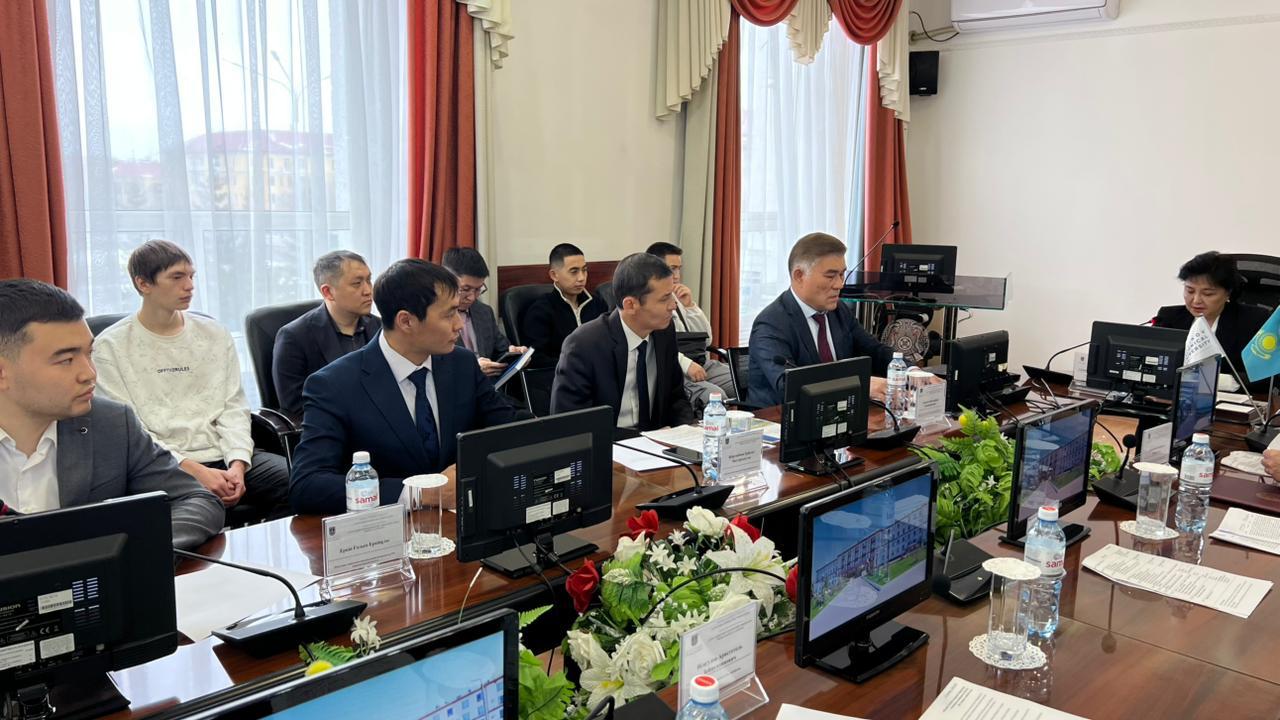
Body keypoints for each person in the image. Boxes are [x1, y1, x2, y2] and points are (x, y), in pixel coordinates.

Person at [0, 279, 224, 548]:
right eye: (66, 360)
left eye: (89, 354)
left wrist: (133, 553)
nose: (89, 374)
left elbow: (196, 500)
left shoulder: (111, 424)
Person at [289, 259, 522, 515]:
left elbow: (508, 428)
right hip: (384, 528)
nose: (459, 324)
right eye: (448, 314)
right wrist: (421, 492)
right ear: (406, 321)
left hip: (459, 521)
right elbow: (307, 486)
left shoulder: (462, 364)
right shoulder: (334, 384)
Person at [93, 240, 292, 524]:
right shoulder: (110, 346)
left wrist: (237, 463)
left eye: (191, 276)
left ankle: (262, 550)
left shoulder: (214, 333)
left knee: (302, 483)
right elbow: (130, 431)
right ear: (143, 284)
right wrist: (195, 470)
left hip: (224, 455)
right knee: (202, 509)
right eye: (176, 277)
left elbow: (233, 407)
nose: (189, 286)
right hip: (162, 465)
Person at [749, 232, 938, 407]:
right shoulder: (771, 324)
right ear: (799, 276)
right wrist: (861, 383)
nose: (839, 284)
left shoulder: (839, 311)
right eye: (830, 276)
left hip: (838, 414)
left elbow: (875, 350)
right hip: (782, 421)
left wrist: (911, 372)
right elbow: (788, 384)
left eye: (841, 274)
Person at [551, 253, 697, 431]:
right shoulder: (584, 345)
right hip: (609, 443)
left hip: (659, 441)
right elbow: (572, 424)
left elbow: (677, 398)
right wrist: (642, 440)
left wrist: (685, 432)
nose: (673, 305)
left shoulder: (663, 331)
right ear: (630, 305)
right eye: (664, 298)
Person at [272, 250, 377, 422]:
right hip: (332, 429)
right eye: (357, 283)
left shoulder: (380, 328)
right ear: (328, 292)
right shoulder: (294, 337)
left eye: (369, 280)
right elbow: (297, 408)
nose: (368, 290)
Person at [1153, 251, 1270, 392]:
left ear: (1228, 293)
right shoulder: (1168, 318)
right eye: (1190, 291)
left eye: (1208, 294)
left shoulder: (1253, 319)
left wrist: (1218, 381)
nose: (1196, 300)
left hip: (1235, 401)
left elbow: (1268, 375)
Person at [645, 242, 735, 412]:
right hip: (675, 367)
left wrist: (690, 306)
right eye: (672, 269)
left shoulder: (677, 296)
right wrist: (686, 364)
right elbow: (655, 345)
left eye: (679, 269)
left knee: (746, 379)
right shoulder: (650, 302)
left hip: (699, 361)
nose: (677, 276)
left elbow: (707, 340)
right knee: (716, 396)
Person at [442, 247, 527, 377]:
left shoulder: (484, 312)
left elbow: (500, 350)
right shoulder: (433, 318)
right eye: (465, 289)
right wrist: (471, 368)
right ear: (445, 281)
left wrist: (514, 355)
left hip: (488, 386)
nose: (472, 297)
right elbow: (434, 365)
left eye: (478, 289)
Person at [520, 243, 607, 368]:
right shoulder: (541, 310)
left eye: (584, 270)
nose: (581, 278)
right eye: (574, 272)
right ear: (554, 275)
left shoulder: (597, 304)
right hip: (561, 375)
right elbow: (535, 358)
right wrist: (575, 365)